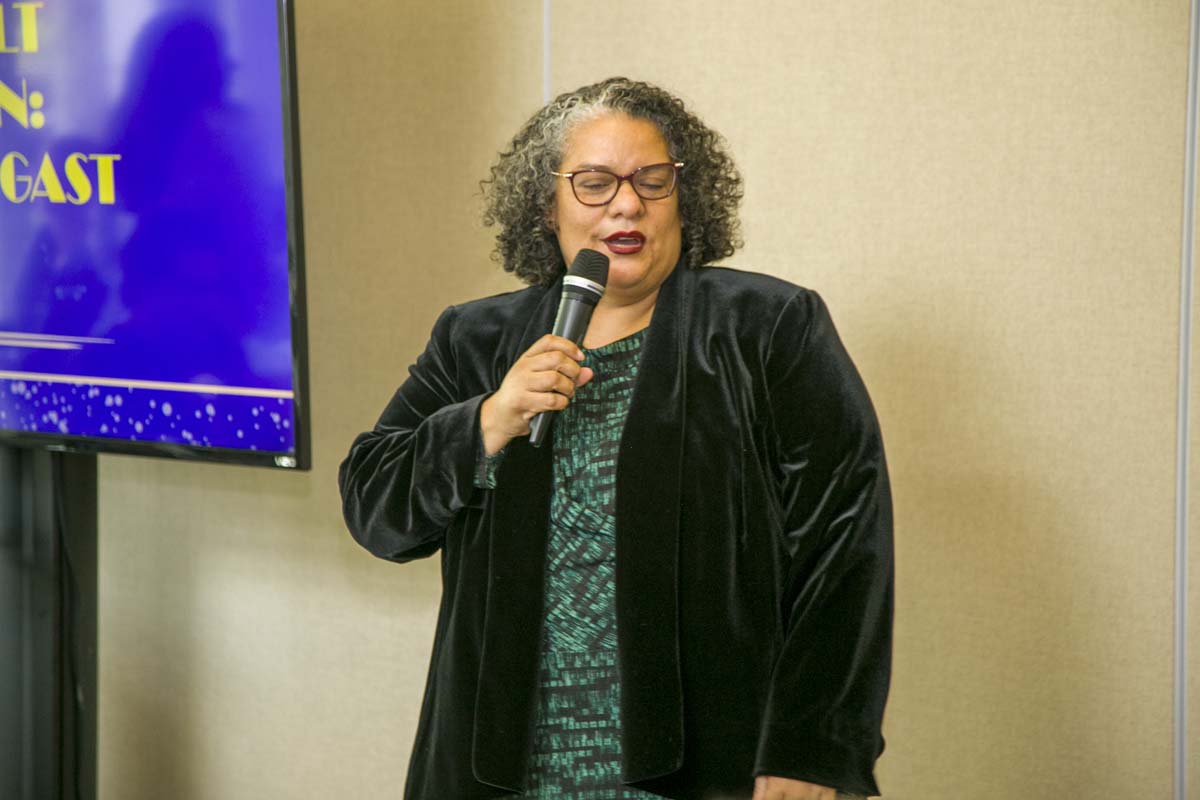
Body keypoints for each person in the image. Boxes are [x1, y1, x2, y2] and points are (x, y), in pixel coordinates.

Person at [339, 77, 893, 800]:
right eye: (594, 183)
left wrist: (813, 747)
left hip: (707, 763)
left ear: (683, 198)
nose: (625, 205)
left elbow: (844, 546)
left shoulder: (768, 328)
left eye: (651, 181)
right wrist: (488, 420)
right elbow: (375, 509)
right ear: (548, 205)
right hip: (504, 767)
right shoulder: (476, 339)